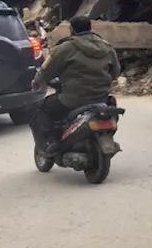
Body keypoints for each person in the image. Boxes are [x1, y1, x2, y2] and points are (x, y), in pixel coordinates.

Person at [30, 16, 121, 152]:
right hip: (102, 97)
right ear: (90, 28)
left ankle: (49, 142)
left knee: (42, 108)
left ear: (71, 30)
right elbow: (116, 72)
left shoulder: (65, 48)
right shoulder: (107, 47)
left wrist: (37, 82)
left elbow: (46, 70)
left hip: (72, 100)